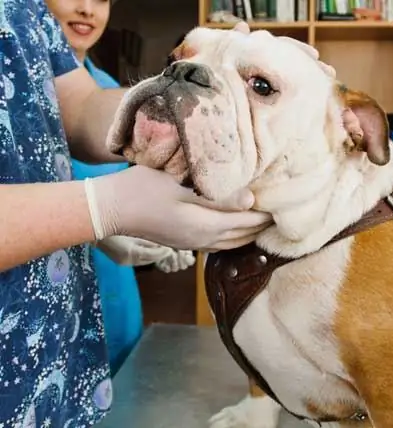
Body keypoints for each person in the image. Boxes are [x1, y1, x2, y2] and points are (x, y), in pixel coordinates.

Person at [0, 1, 272, 427]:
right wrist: (102, 208)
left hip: (54, 366)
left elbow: (81, 111)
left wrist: (192, 92)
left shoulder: (28, 9)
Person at [45, 0, 142, 377]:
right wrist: (90, 227)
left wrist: (148, 234)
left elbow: (124, 187)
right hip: (49, 307)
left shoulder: (109, 92)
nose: (87, 9)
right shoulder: (15, 93)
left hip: (115, 294)